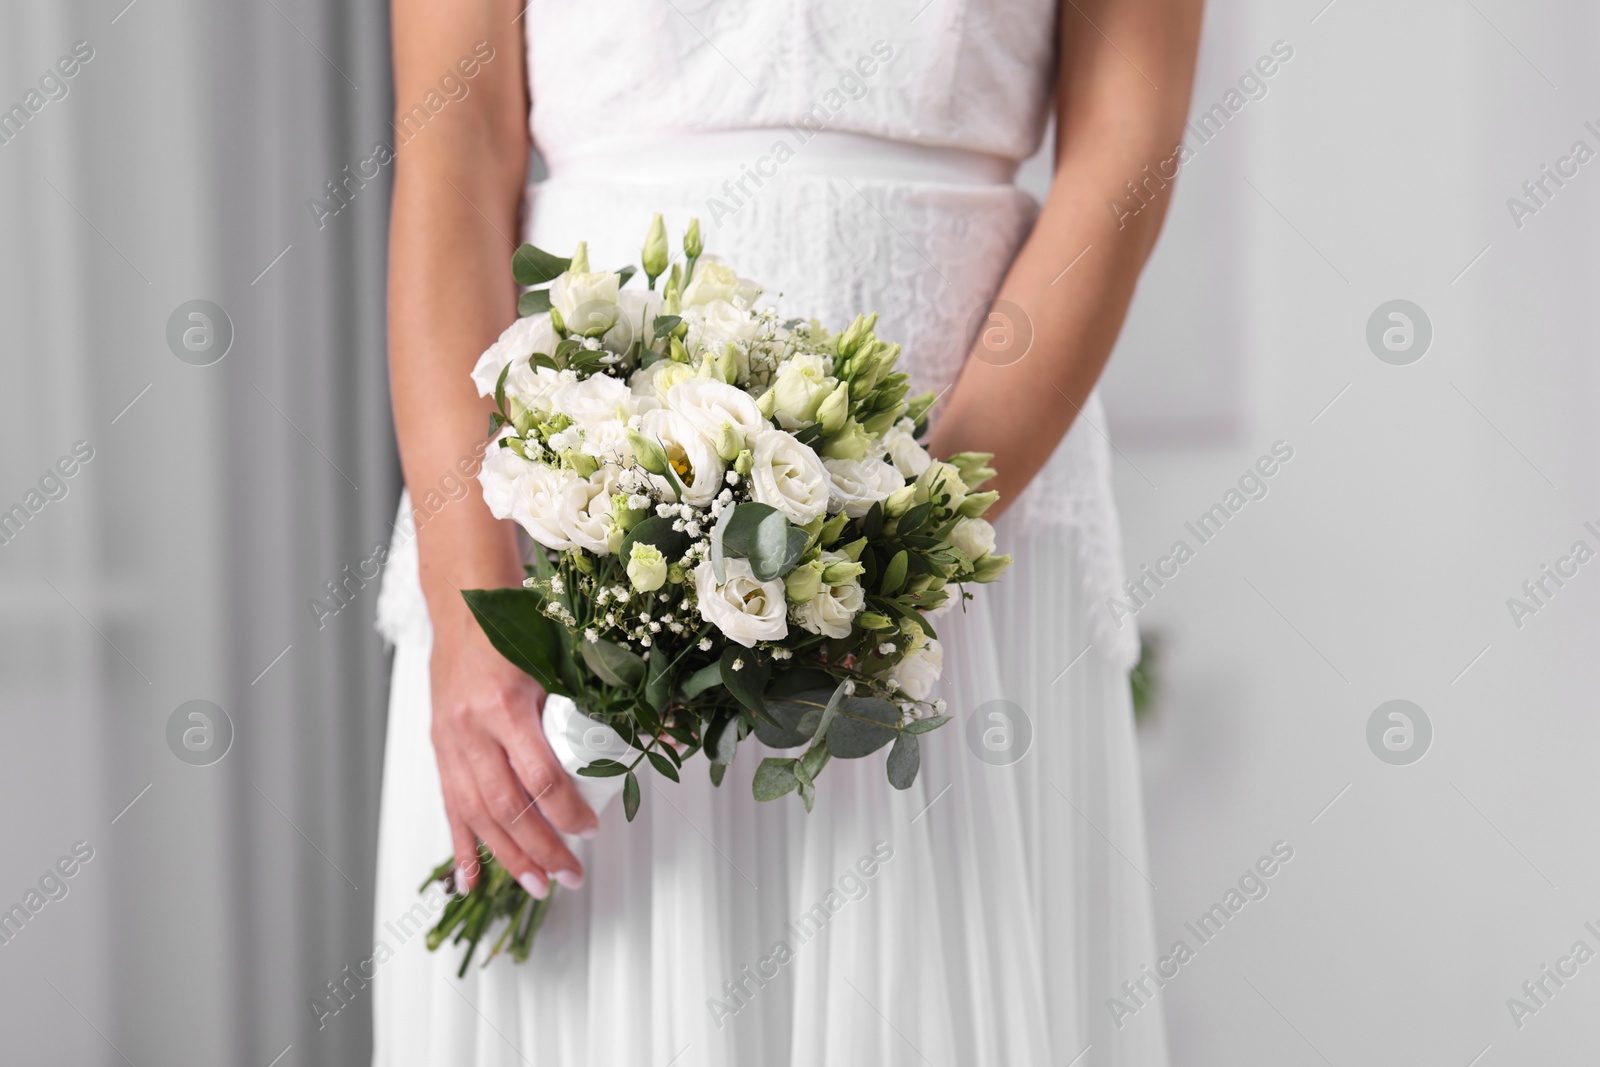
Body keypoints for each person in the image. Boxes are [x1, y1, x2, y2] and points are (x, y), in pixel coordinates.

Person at [374, 1, 1202, 1063]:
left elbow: (1127, 139)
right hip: (570, 520)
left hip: (971, 506)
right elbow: (451, 145)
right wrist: (469, 602)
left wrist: (919, 542)